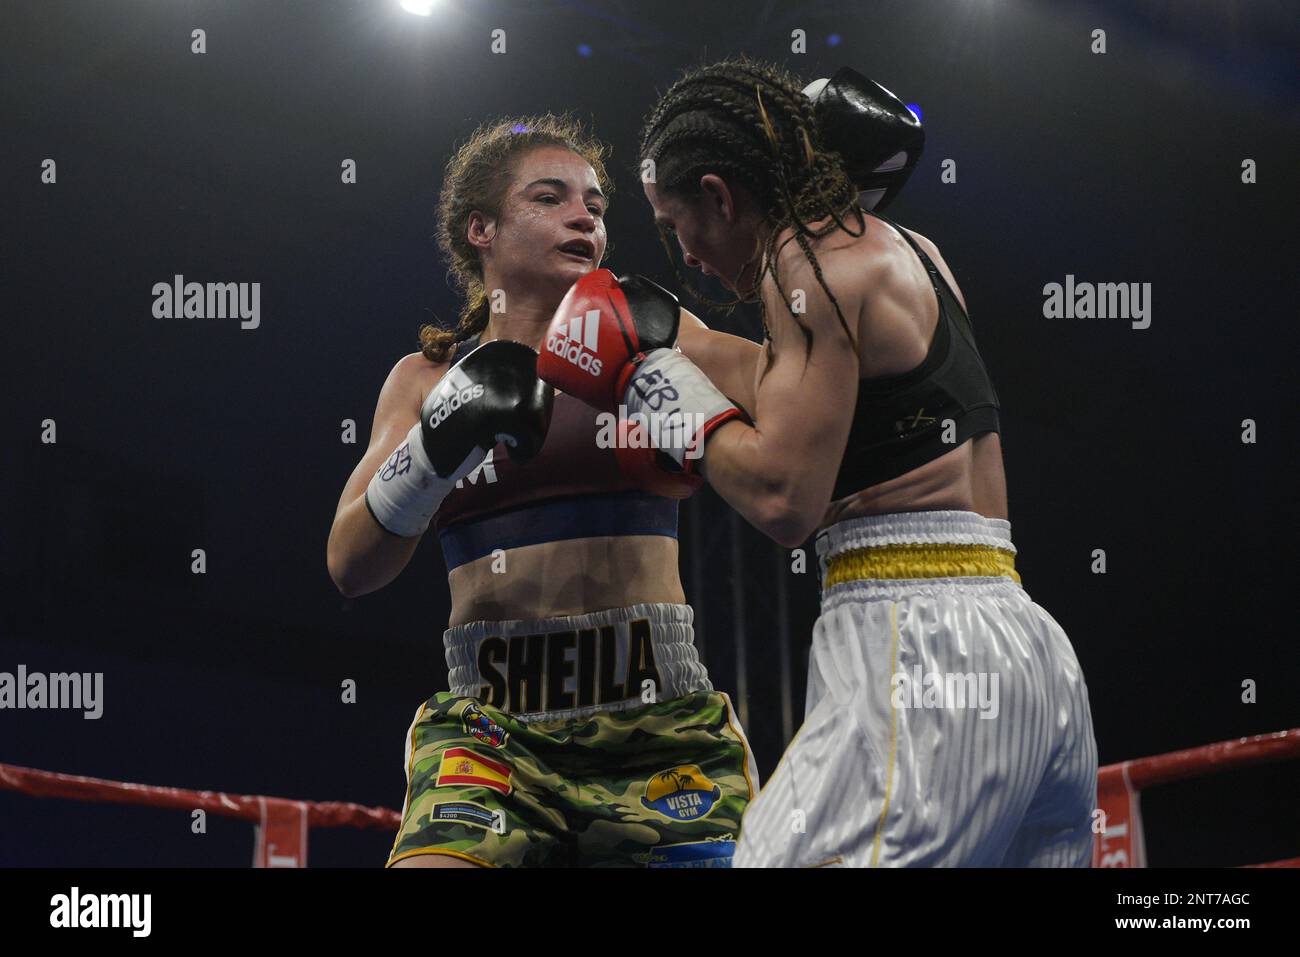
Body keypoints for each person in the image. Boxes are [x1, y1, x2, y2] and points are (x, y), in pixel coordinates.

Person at [538, 60, 1097, 867]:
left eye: (674, 223)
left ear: (720, 195)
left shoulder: (805, 264)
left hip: (917, 644)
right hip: (1029, 652)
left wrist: (647, 377)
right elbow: (812, 398)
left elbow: (781, 496)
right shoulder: (911, 252)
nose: (685, 253)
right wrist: (670, 331)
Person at [326, 113, 761, 868]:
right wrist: (433, 449)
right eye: (550, 197)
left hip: (659, 723)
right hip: (494, 733)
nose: (583, 216)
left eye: (595, 205)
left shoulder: (654, 332)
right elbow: (349, 565)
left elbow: (789, 393)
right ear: (480, 230)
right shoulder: (424, 381)